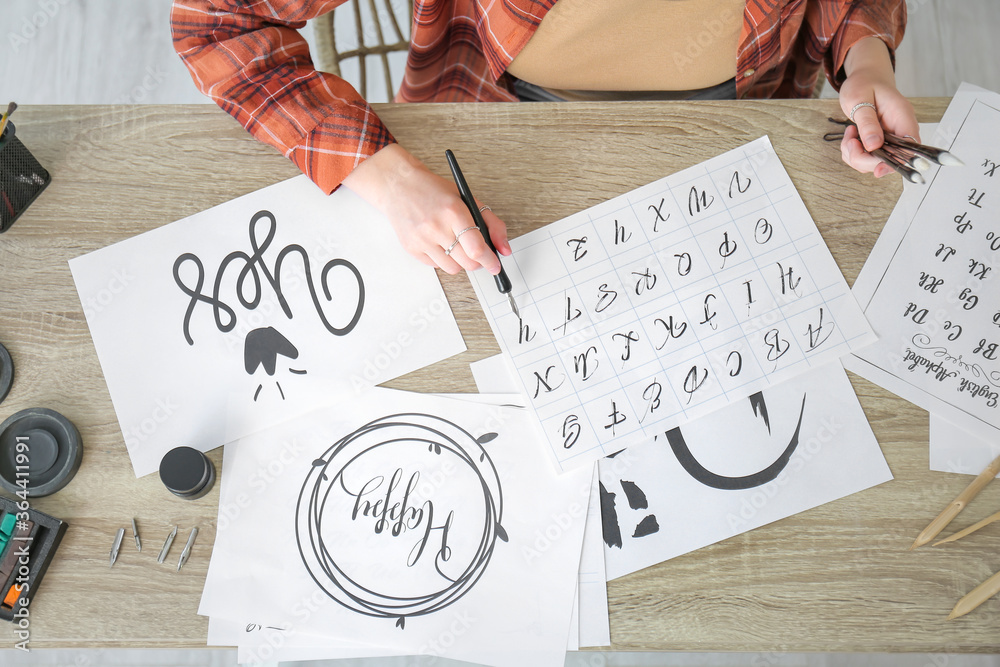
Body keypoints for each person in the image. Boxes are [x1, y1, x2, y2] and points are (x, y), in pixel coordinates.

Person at [171, 0, 916, 277]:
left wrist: (864, 56)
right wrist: (386, 177)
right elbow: (216, 20)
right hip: (501, 128)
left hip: (743, 118)